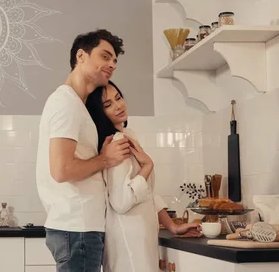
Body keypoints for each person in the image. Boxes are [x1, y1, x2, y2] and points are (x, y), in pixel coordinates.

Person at [36, 29, 130, 272]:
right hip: (77, 228)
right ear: (81, 56)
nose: (112, 65)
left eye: (115, 61)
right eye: (105, 56)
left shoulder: (76, 104)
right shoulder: (65, 102)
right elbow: (62, 170)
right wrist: (105, 159)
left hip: (79, 228)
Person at [85, 81, 202, 272]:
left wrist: (171, 226)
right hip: (128, 239)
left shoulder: (129, 135)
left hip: (141, 235)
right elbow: (121, 201)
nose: (119, 105)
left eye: (118, 97)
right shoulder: (117, 142)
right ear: (100, 113)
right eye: (108, 105)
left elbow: (147, 192)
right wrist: (148, 166)